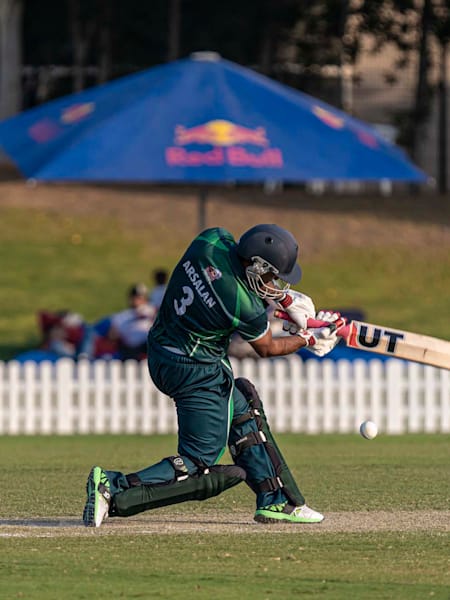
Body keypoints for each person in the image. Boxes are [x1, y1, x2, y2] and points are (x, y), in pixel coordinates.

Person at [82, 225, 342, 527]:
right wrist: (309, 338)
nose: (276, 285)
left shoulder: (210, 240)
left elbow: (235, 274)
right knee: (197, 462)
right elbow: (268, 348)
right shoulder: (240, 304)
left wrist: (284, 302)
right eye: (273, 277)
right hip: (195, 370)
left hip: (162, 348)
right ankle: (113, 487)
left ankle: (277, 500)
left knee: (243, 409)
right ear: (257, 266)